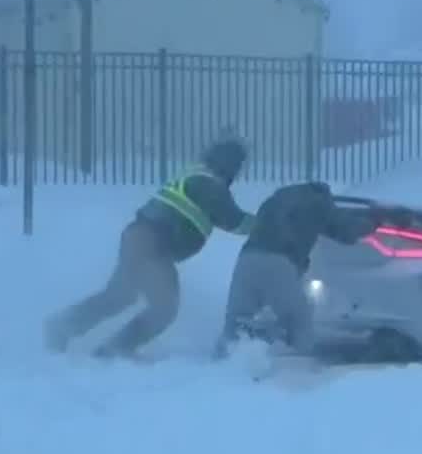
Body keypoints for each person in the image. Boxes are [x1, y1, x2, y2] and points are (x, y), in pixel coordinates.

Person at [46, 136, 255, 359]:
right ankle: (115, 350)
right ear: (229, 164)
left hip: (137, 238)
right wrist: (269, 222)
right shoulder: (211, 185)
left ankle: (63, 327)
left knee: (119, 296)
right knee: (165, 308)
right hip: (153, 246)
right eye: (238, 165)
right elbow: (236, 222)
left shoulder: (196, 177)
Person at [218, 181, 381, 357]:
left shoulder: (273, 200)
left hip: (247, 259)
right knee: (298, 321)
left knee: (237, 319)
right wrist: (373, 223)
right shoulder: (318, 203)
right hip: (278, 263)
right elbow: (346, 231)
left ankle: (221, 361)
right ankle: (300, 369)